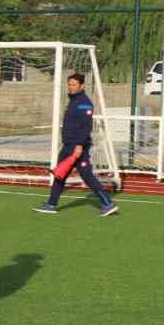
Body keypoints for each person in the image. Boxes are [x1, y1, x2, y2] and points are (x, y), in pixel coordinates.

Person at [36, 72, 118, 217]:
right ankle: (52, 204)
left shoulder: (84, 103)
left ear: (81, 85)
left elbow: (86, 127)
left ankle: (106, 203)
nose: (71, 87)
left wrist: (79, 146)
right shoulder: (74, 101)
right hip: (69, 145)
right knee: (64, 174)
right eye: (69, 84)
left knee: (70, 175)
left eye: (74, 85)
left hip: (75, 147)